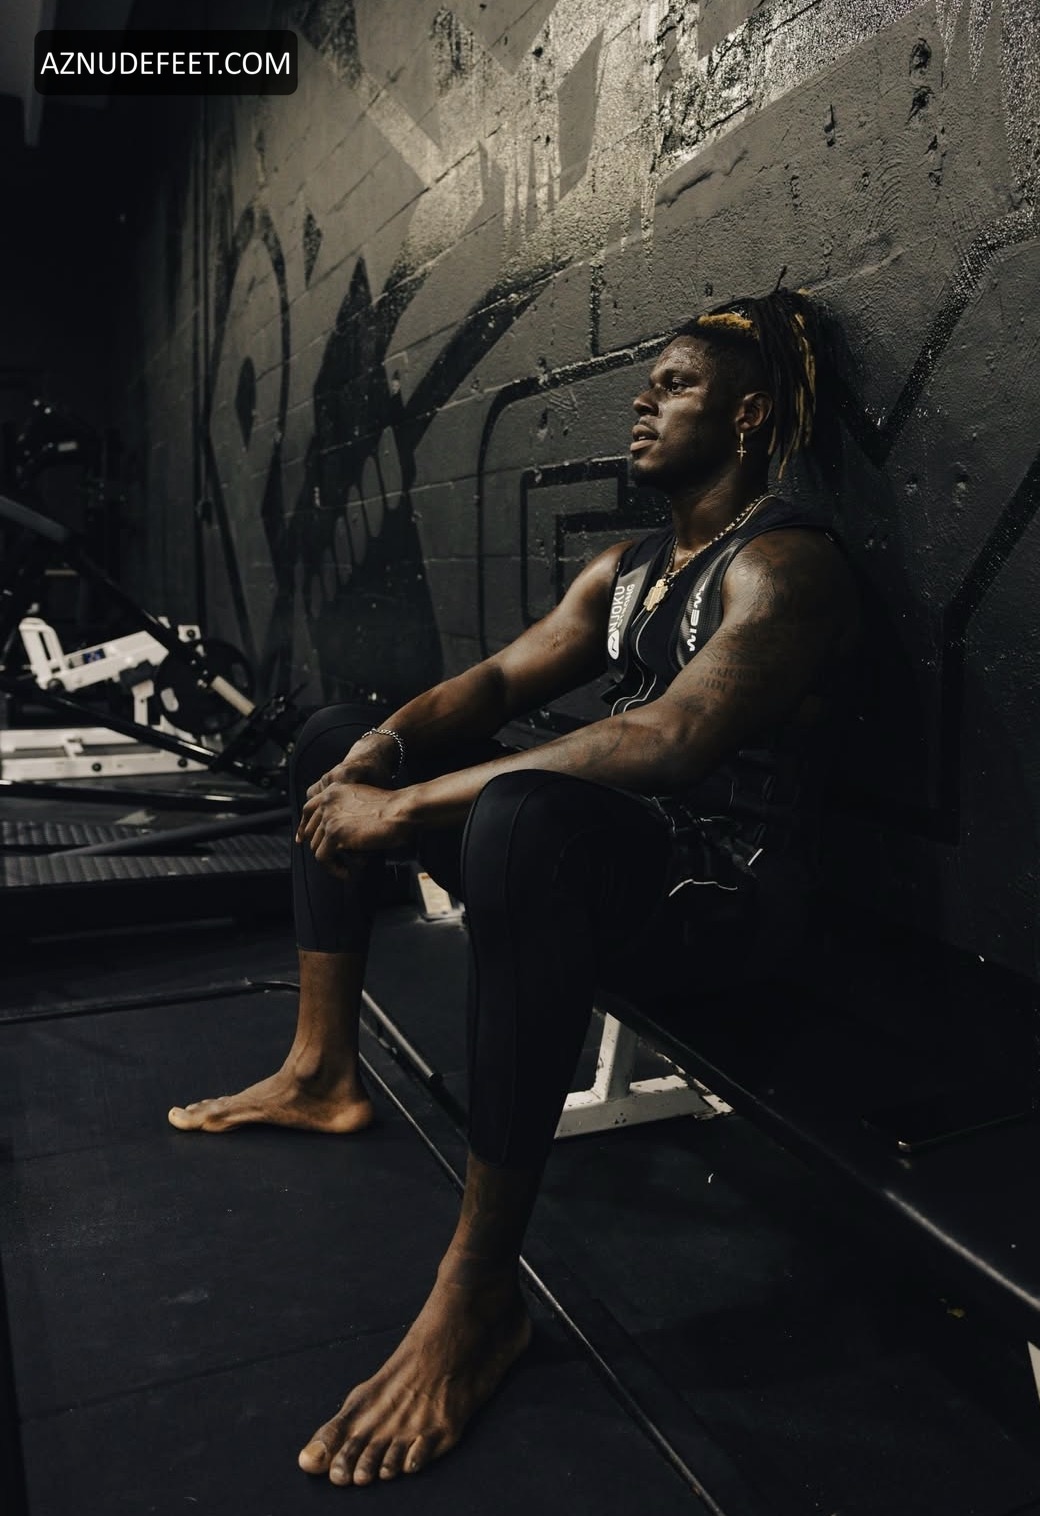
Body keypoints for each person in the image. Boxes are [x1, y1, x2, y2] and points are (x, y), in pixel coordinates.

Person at [167, 283, 861, 1486]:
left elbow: (668, 739)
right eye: (646, 385)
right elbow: (492, 684)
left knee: (522, 817)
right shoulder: (628, 570)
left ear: (749, 418)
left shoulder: (786, 565)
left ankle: (481, 1293)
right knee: (339, 734)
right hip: (635, 859)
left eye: (676, 386)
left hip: (729, 899)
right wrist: (380, 753)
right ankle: (322, 1070)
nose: (643, 403)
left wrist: (407, 809)